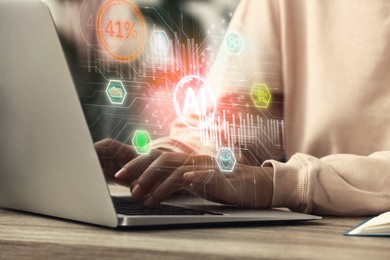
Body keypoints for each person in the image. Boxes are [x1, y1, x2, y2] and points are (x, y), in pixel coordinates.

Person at [96, 0, 390, 216]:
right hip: (315, 238)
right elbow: (227, 119)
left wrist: (281, 183)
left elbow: (277, 182)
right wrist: (172, 160)